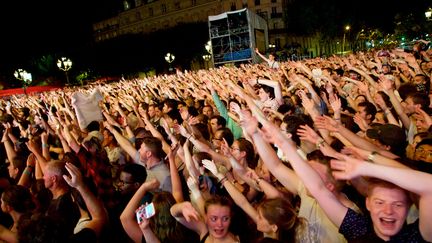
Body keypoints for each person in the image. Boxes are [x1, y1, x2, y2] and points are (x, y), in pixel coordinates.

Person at [170, 195, 240, 243]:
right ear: (206, 218)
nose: (219, 224)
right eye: (214, 219)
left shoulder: (237, 237)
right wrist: (181, 207)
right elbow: (174, 213)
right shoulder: (204, 230)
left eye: (225, 219)